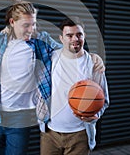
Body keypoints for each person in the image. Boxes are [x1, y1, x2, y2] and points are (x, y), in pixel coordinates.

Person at [0, 0, 105, 155]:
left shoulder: (40, 41)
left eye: (33, 24)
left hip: (20, 117)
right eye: (26, 25)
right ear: (12, 23)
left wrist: (91, 57)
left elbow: (68, 50)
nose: (31, 29)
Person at [38, 17, 109, 155]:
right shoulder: (50, 59)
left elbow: (104, 99)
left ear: (84, 36)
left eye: (79, 34)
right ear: (61, 38)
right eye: (69, 35)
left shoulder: (93, 65)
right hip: (50, 133)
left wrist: (95, 115)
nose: (75, 39)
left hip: (80, 134)